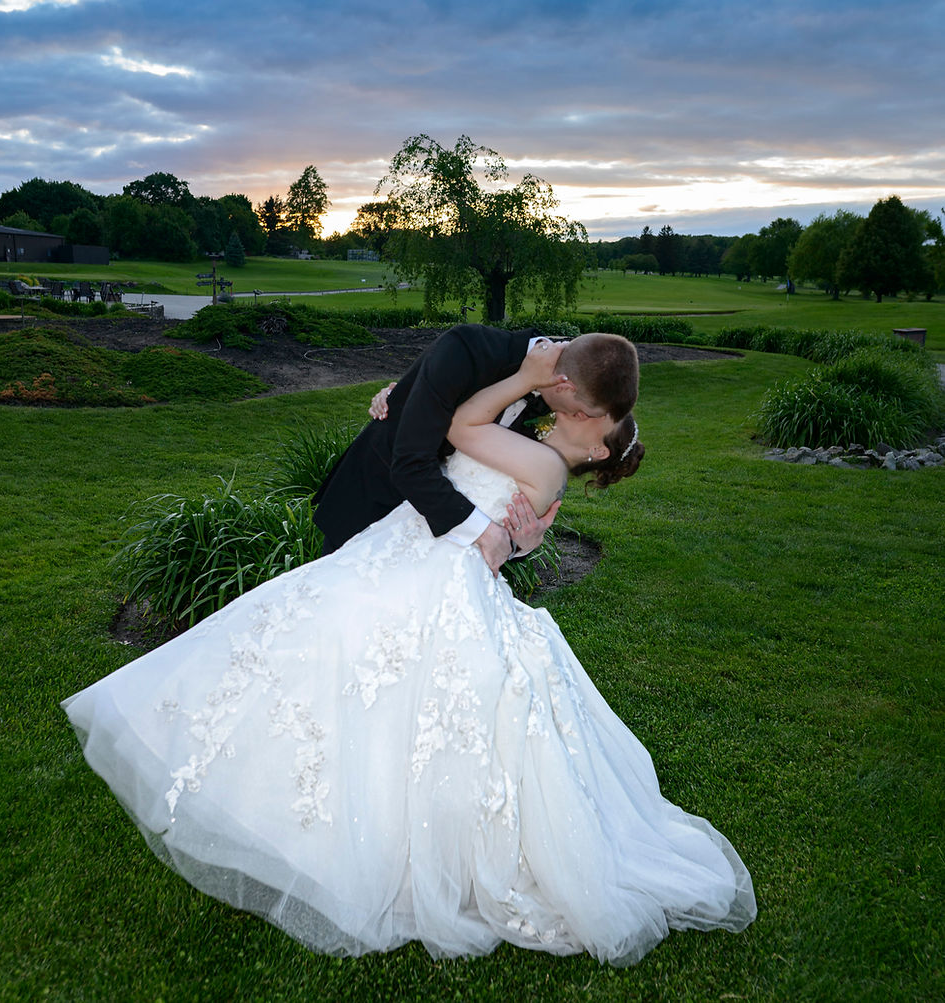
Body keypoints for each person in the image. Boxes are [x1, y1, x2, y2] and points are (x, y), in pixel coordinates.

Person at [62, 345, 756, 965]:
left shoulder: (544, 461)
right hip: (418, 543)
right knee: (342, 654)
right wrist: (410, 389)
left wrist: (506, 386)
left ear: (600, 447)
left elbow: (458, 430)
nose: (574, 415)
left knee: (353, 658)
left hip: (433, 562)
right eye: (584, 407)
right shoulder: (541, 457)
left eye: (593, 421)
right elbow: (473, 446)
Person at [312, 323, 640, 572]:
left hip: (438, 554)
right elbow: (411, 463)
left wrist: (520, 544)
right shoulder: (466, 349)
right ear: (564, 384)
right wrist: (484, 532)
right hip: (373, 504)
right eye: (583, 411)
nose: (576, 418)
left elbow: (511, 493)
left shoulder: (555, 408)